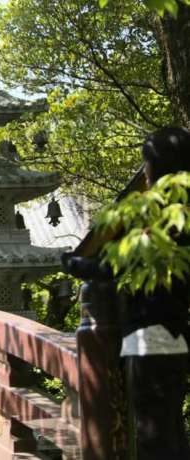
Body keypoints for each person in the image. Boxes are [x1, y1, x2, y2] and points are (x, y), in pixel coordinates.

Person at [121, 126, 190, 459]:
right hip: (177, 337)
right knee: (171, 427)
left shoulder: (156, 217)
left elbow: (114, 268)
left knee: (154, 436)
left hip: (149, 337)